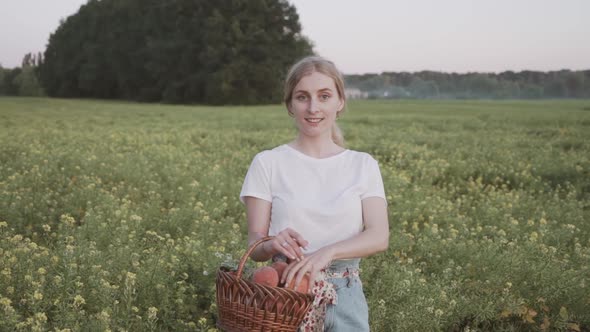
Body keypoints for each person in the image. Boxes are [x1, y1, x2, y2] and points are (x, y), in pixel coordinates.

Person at [239, 56, 389, 331]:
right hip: (285, 294)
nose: (313, 108)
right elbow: (256, 244)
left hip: (346, 297)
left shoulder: (363, 164)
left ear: (340, 102)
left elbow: (379, 236)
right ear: (289, 105)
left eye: (324, 96)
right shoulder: (268, 163)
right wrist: (273, 244)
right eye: (302, 97)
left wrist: (327, 253)